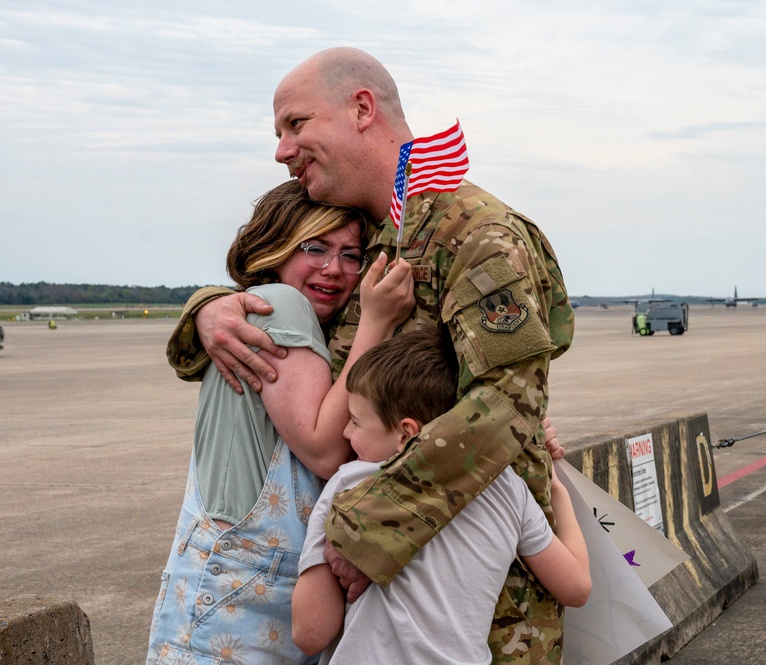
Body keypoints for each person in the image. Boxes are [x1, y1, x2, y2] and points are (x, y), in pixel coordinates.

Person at [166, 46, 575, 663]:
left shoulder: (476, 233)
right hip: (382, 613)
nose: (281, 150)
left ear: (361, 109)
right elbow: (292, 304)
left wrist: (366, 529)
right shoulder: (382, 232)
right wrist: (212, 307)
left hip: (477, 611)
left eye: (296, 125)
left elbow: (507, 406)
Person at [147, 179, 414, 665]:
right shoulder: (279, 305)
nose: (334, 268)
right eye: (315, 247)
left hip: (247, 598)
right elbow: (324, 448)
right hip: (235, 602)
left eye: (351, 255)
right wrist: (377, 321)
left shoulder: (307, 324)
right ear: (275, 249)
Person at [292, 328, 590, 663]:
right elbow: (576, 588)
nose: (346, 433)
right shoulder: (507, 488)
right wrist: (558, 493)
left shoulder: (351, 483)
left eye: (356, 422)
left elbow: (311, 632)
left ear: (407, 433)